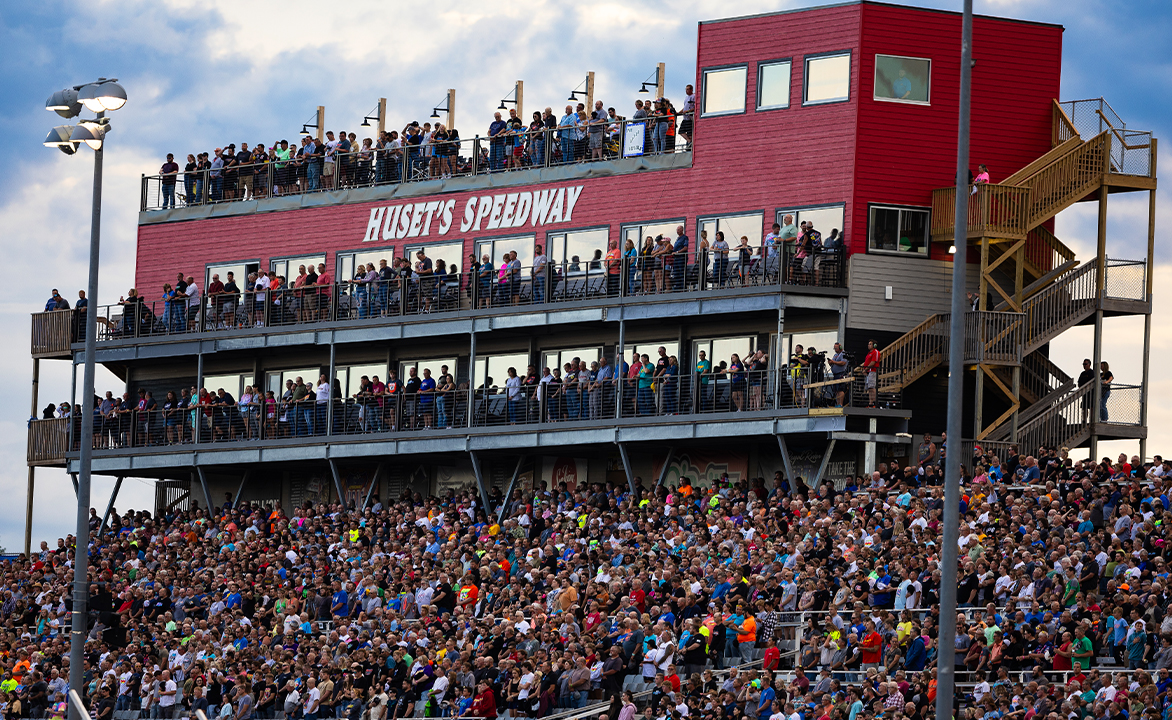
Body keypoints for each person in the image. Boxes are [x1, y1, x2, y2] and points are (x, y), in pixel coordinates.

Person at [862, 339, 881, 407]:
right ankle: (870, 403)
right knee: (869, 388)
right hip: (868, 372)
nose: (868, 345)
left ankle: (874, 402)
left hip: (873, 371)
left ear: (874, 345)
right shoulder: (869, 353)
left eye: (870, 344)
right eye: (868, 344)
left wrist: (866, 369)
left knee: (872, 387)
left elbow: (873, 362)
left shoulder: (875, 352)